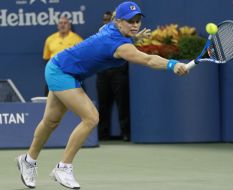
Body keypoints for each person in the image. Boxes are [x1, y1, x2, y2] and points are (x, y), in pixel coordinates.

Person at [16, 1, 188, 189]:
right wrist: (173, 64)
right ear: (118, 21)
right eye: (130, 21)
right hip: (61, 72)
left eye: (138, 20)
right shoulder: (120, 45)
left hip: (61, 66)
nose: (135, 25)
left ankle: (28, 160)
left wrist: (135, 37)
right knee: (91, 117)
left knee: (51, 121)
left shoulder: (109, 27)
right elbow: (147, 59)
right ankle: (63, 167)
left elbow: (118, 38)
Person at [97, 11, 131, 141]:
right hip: (103, 73)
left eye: (110, 19)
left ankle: (126, 133)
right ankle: (103, 134)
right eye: (105, 19)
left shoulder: (123, 33)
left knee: (122, 104)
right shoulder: (101, 32)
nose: (107, 21)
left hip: (119, 73)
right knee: (103, 105)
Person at [43, 16, 83, 96]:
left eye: (65, 23)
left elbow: (82, 58)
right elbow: (46, 58)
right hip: (54, 74)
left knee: (73, 101)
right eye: (60, 23)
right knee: (49, 100)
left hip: (70, 76)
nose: (62, 25)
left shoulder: (77, 39)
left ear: (69, 26)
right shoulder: (50, 39)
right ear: (57, 26)